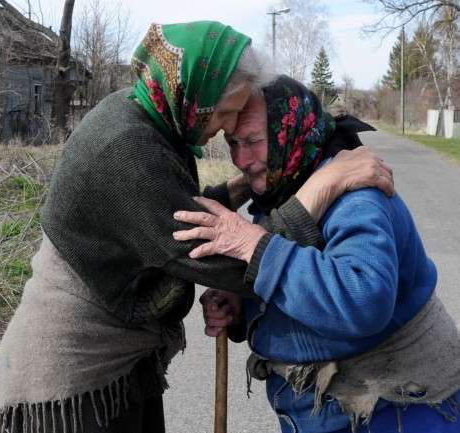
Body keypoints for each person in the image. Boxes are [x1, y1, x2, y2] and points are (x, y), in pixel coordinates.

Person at [0, 22, 394, 433]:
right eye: (224, 114)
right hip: (72, 373)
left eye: (242, 126)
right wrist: (323, 185)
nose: (222, 128)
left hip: (122, 363)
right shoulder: (126, 151)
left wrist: (248, 182)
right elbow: (236, 261)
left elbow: (183, 211)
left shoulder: (145, 111)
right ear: (194, 98)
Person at [173, 75, 460, 433]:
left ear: (289, 131)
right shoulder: (286, 187)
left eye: (253, 141)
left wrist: (255, 248)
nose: (241, 159)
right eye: (233, 142)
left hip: (398, 410)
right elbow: (300, 280)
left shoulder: (355, 193)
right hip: (326, 414)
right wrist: (243, 308)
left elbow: (363, 299)